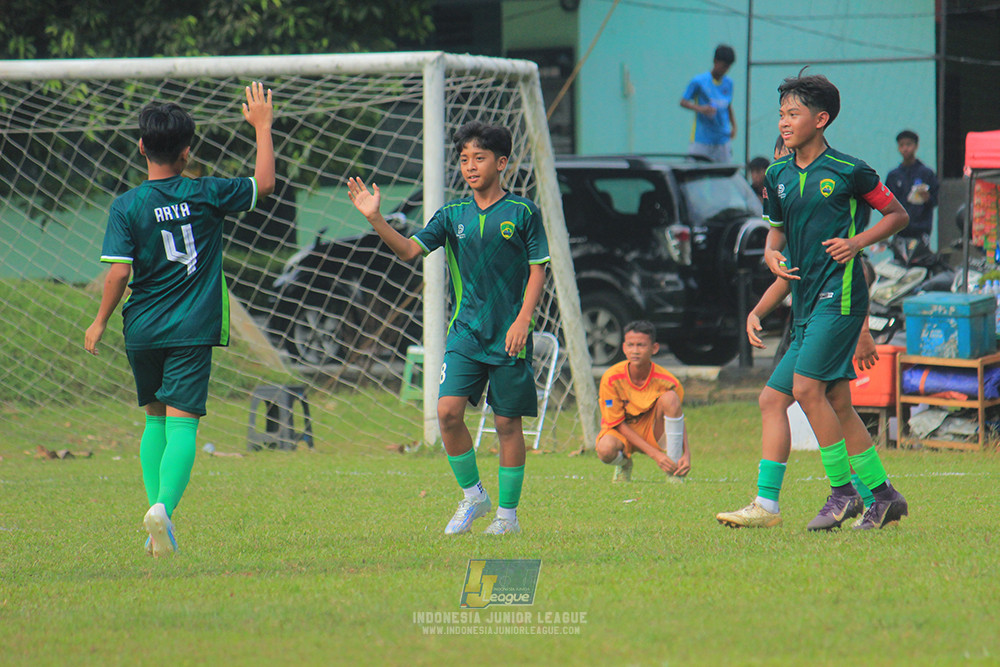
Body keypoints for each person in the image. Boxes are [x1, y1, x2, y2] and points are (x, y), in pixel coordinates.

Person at [84, 82, 276, 556]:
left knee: (154, 418)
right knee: (183, 424)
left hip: (142, 327)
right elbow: (264, 184)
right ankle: (163, 509)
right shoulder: (208, 192)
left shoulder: (126, 205)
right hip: (191, 327)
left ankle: (158, 527)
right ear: (187, 151)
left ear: (141, 147)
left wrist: (100, 321)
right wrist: (262, 127)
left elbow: (119, 273)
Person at [716, 72, 910, 531]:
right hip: (804, 306)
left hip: (839, 301)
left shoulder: (849, 170)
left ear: (820, 120)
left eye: (794, 114)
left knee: (806, 391)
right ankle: (781, 504)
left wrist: (857, 242)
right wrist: (768, 265)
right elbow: (778, 240)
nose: (784, 122)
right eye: (781, 114)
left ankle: (844, 492)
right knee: (780, 399)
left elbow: (897, 214)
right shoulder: (778, 176)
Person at [347, 121, 549, 536]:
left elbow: (537, 270)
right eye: (464, 159)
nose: (470, 166)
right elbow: (408, 251)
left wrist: (523, 320)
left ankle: (507, 518)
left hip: (509, 336)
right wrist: (376, 218)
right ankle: (474, 496)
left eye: (479, 158)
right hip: (466, 334)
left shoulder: (523, 212)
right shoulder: (451, 214)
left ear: (501, 163)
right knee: (447, 412)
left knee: (507, 424)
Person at [594, 321, 690, 483]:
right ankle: (624, 463)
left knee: (671, 398)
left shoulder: (668, 381)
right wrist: (656, 455)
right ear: (624, 348)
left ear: (654, 348)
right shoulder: (611, 378)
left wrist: (686, 454)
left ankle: (674, 474)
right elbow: (617, 423)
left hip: (653, 431)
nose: (635, 351)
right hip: (622, 432)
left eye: (641, 345)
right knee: (605, 449)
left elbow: (678, 419)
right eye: (630, 345)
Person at [680, 44, 737, 163]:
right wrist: (701, 109)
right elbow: (683, 102)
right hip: (702, 138)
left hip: (722, 138)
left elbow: (728, 105)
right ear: (715, 61)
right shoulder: (699, 81)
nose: (725, 70)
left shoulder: (728, 83)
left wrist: (734, 126)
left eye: (728, 67)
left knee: (725, 171)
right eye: (723, 66)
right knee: (694, 171)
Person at [885, 130, 938, 243]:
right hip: (899, 231)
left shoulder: (926, 173)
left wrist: (928, 198)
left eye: (908, 144)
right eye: (901, 145)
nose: (905, 149)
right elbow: (887, 204)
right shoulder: (893, 176)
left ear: (916, 146)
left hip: (921, 231)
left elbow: (936, 199)